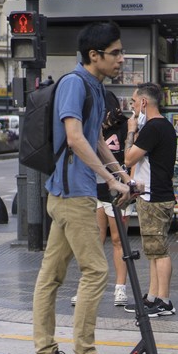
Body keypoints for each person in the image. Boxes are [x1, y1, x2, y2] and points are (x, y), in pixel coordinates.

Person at [30, 21, 131, 354]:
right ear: (94, 55)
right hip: (73, 195)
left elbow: (95, 138)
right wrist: (109, 181)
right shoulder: (74, 84)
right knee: (96, 271)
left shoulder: (94, 87)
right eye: (115, 53)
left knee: (51, 276)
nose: (121, 58)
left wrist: (121, 174)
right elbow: (74, 138)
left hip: (71, 194)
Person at [71, 89, 129, 308]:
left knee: (118, 240)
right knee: (93, 240)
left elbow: (129, 157)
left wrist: (131, 133)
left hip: (114, 191)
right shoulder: (89, 127)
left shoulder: (123, 127)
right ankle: (86, 288)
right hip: (91, 189)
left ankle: (120, 288)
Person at [123, 83, 178, 317]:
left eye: (134, 102)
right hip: (155, 195)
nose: (133, 107)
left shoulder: (152, 128)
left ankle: (164, 300)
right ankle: (153, 296)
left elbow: (128, 158)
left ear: (144, 103)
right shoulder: (162, 126)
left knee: (160, 250)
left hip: (155, 197)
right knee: (154, 250)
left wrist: (131, 130)